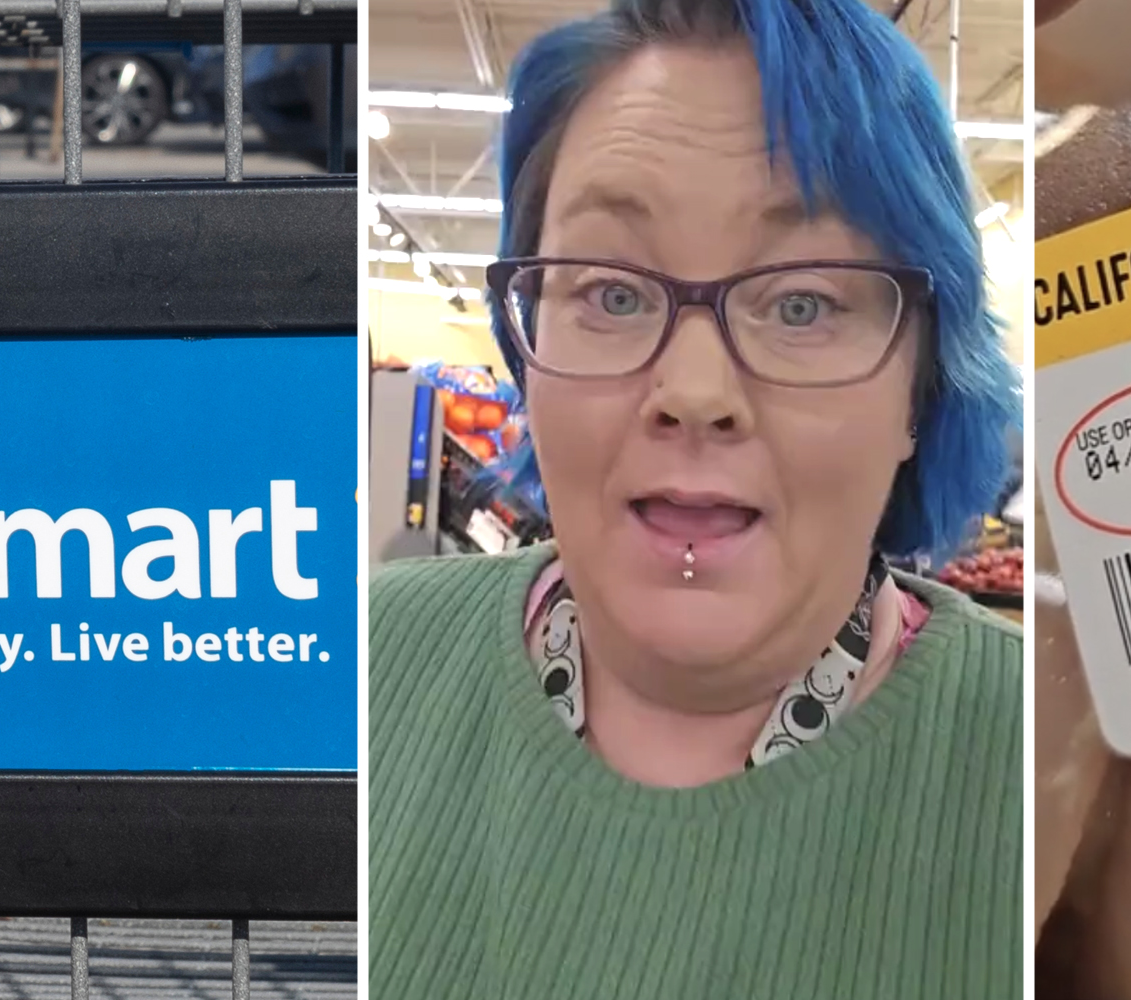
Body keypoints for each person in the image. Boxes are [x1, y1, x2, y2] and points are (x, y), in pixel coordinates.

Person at [367, 0, 1023, 995]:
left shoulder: (1041, 763)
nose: (694, 395)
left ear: (919, 390)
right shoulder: (359, 668)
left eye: (803, 302)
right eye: (613, 294)